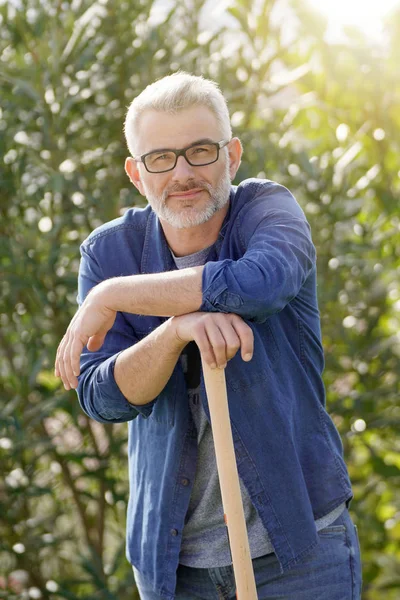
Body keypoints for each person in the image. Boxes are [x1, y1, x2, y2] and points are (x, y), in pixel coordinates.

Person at [54, 72, 362, 600]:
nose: (182, 173)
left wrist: (111, 296)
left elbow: (261, 284)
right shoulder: (107, 252)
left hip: (301, 551)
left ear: (232, 155)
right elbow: (102, 396)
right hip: (176, 568)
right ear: (136, 172)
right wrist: (175, 331)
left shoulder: (268, 210)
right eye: (161, 158)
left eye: (200, 151)